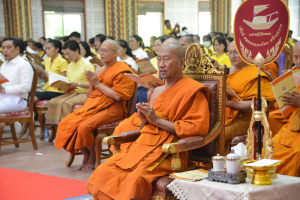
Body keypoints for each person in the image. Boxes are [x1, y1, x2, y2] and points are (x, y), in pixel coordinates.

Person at [86, 43, 210, 200]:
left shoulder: (193, 90)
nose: (161, 64)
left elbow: (196, 128)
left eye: (166, 60)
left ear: (181, 62)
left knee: (135, 180)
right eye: (159, 59)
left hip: (168, 151)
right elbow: (147, 127)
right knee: (102, 173)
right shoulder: (157, 91)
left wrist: (156, 120)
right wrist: (145, 120)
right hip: (142, 146)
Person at [54, 40, 136, 171]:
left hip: (114, 108)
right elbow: (90, 94)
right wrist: (92, 84)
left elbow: (118, 96)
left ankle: (92, 155)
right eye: (100, 50)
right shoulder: (99, 70)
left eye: (105, 51)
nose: (101, 54)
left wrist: (97, 84)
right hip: (94, 105)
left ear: (115, 53)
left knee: (84, 127)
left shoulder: (123, 70)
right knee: (67, 123)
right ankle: (85, 154)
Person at [224, 42, 275, 154]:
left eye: (236, 52)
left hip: (247, 118)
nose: (232, 56)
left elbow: (260, 104)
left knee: (220, 134)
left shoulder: (255, 73)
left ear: (246, 53)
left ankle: (223, 166)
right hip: (225, 115)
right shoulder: (226, 72)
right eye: (230, 52)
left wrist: (230, 103)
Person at [17, 39, 69, 139]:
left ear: (57, 49)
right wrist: (44, 77)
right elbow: (47, 80)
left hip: (58, 90)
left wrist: (48, 77)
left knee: (33, 98)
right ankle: (27, 128)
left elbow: (63, 81)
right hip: (48, 88)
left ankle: (25, 128)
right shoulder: (47, 60)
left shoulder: (62, 61)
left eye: (49, 48)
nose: (47, 51)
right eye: (46, 49)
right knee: (28, 96)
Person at [45, 40, 95, 126]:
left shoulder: (87, 64)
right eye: (66, 54)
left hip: (85, 93)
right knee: (53, 101)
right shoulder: (69, 65)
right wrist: (61, 86)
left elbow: (93, 85)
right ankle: (57, 129)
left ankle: (67, 128)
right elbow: (68, 82)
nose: (68, 57)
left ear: (76, 50)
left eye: (69, 53)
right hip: (71, 92)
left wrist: (78, 84)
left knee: (65, 104)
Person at [272, 43, 300, 177]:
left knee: (295, 157)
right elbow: (280, 106)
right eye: (296, 57)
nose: (298, 62)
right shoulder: (294, 76)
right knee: (271, 150)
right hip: (292, 127)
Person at [268, 42, 300, 138]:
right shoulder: (292, 76)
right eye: (296, 57)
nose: (298, 62)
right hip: (290, 114)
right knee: (272, 117)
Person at [0, 38, 33, 113]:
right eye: (3, 48)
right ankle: (15, 124)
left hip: (17, 100)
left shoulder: (24, 64)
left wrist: (4, 90)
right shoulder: (4, 65)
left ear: (17, 49)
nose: (5, 50)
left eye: (8, 47)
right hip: (3, 97)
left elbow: (26, 87)